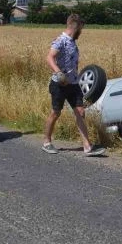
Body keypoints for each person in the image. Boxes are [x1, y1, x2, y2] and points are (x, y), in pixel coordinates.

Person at [42, 14, 105, 156]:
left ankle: (87, 146)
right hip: (59, 84)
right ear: (75, 27)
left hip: (74, 84)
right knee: (55, 113)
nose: (81, 32)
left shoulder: (72, 42)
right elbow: (49, 57)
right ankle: (46, 142)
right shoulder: (61, 41)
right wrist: (59, 73)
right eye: (81, 29)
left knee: (80, 112)